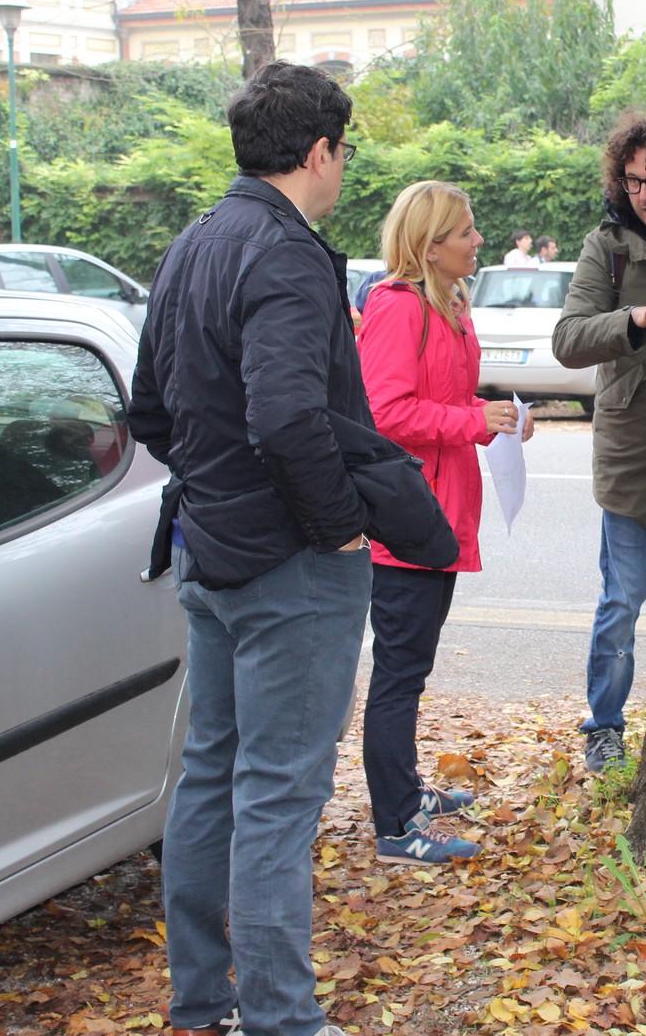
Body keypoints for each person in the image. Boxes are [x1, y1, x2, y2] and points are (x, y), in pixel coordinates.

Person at [127, 61, 370, 1036]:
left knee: (213, 777)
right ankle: (279, 1019)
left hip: (210, 549)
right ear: (318, 153)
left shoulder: (191, 245)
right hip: (285, 567)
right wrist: (339, 524)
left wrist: (218, 492)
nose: (344, 168)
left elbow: (150, 408)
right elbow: (283, 416)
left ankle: (202, 1005)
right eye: (343, 152)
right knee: (273, 796)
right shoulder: (284, 253)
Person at [357, 181, 532, 864]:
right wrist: (470, 420)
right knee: (399, 674)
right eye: (465, 232)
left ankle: (405, 791)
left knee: (412, 667)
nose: (478, 240)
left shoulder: (451, 303)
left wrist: (495, 418)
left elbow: (448, 399)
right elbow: (383, 413)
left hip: (443, 506)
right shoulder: (398, 308)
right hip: (407, 517)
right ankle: (395, 824)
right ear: (430, 246)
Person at [551, 113, 646, 774]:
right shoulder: (610, 247)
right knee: (621, 604)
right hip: (634, 455)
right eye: (634, 181)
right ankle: (603, 726)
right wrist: (630, 321)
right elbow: (568, 338)